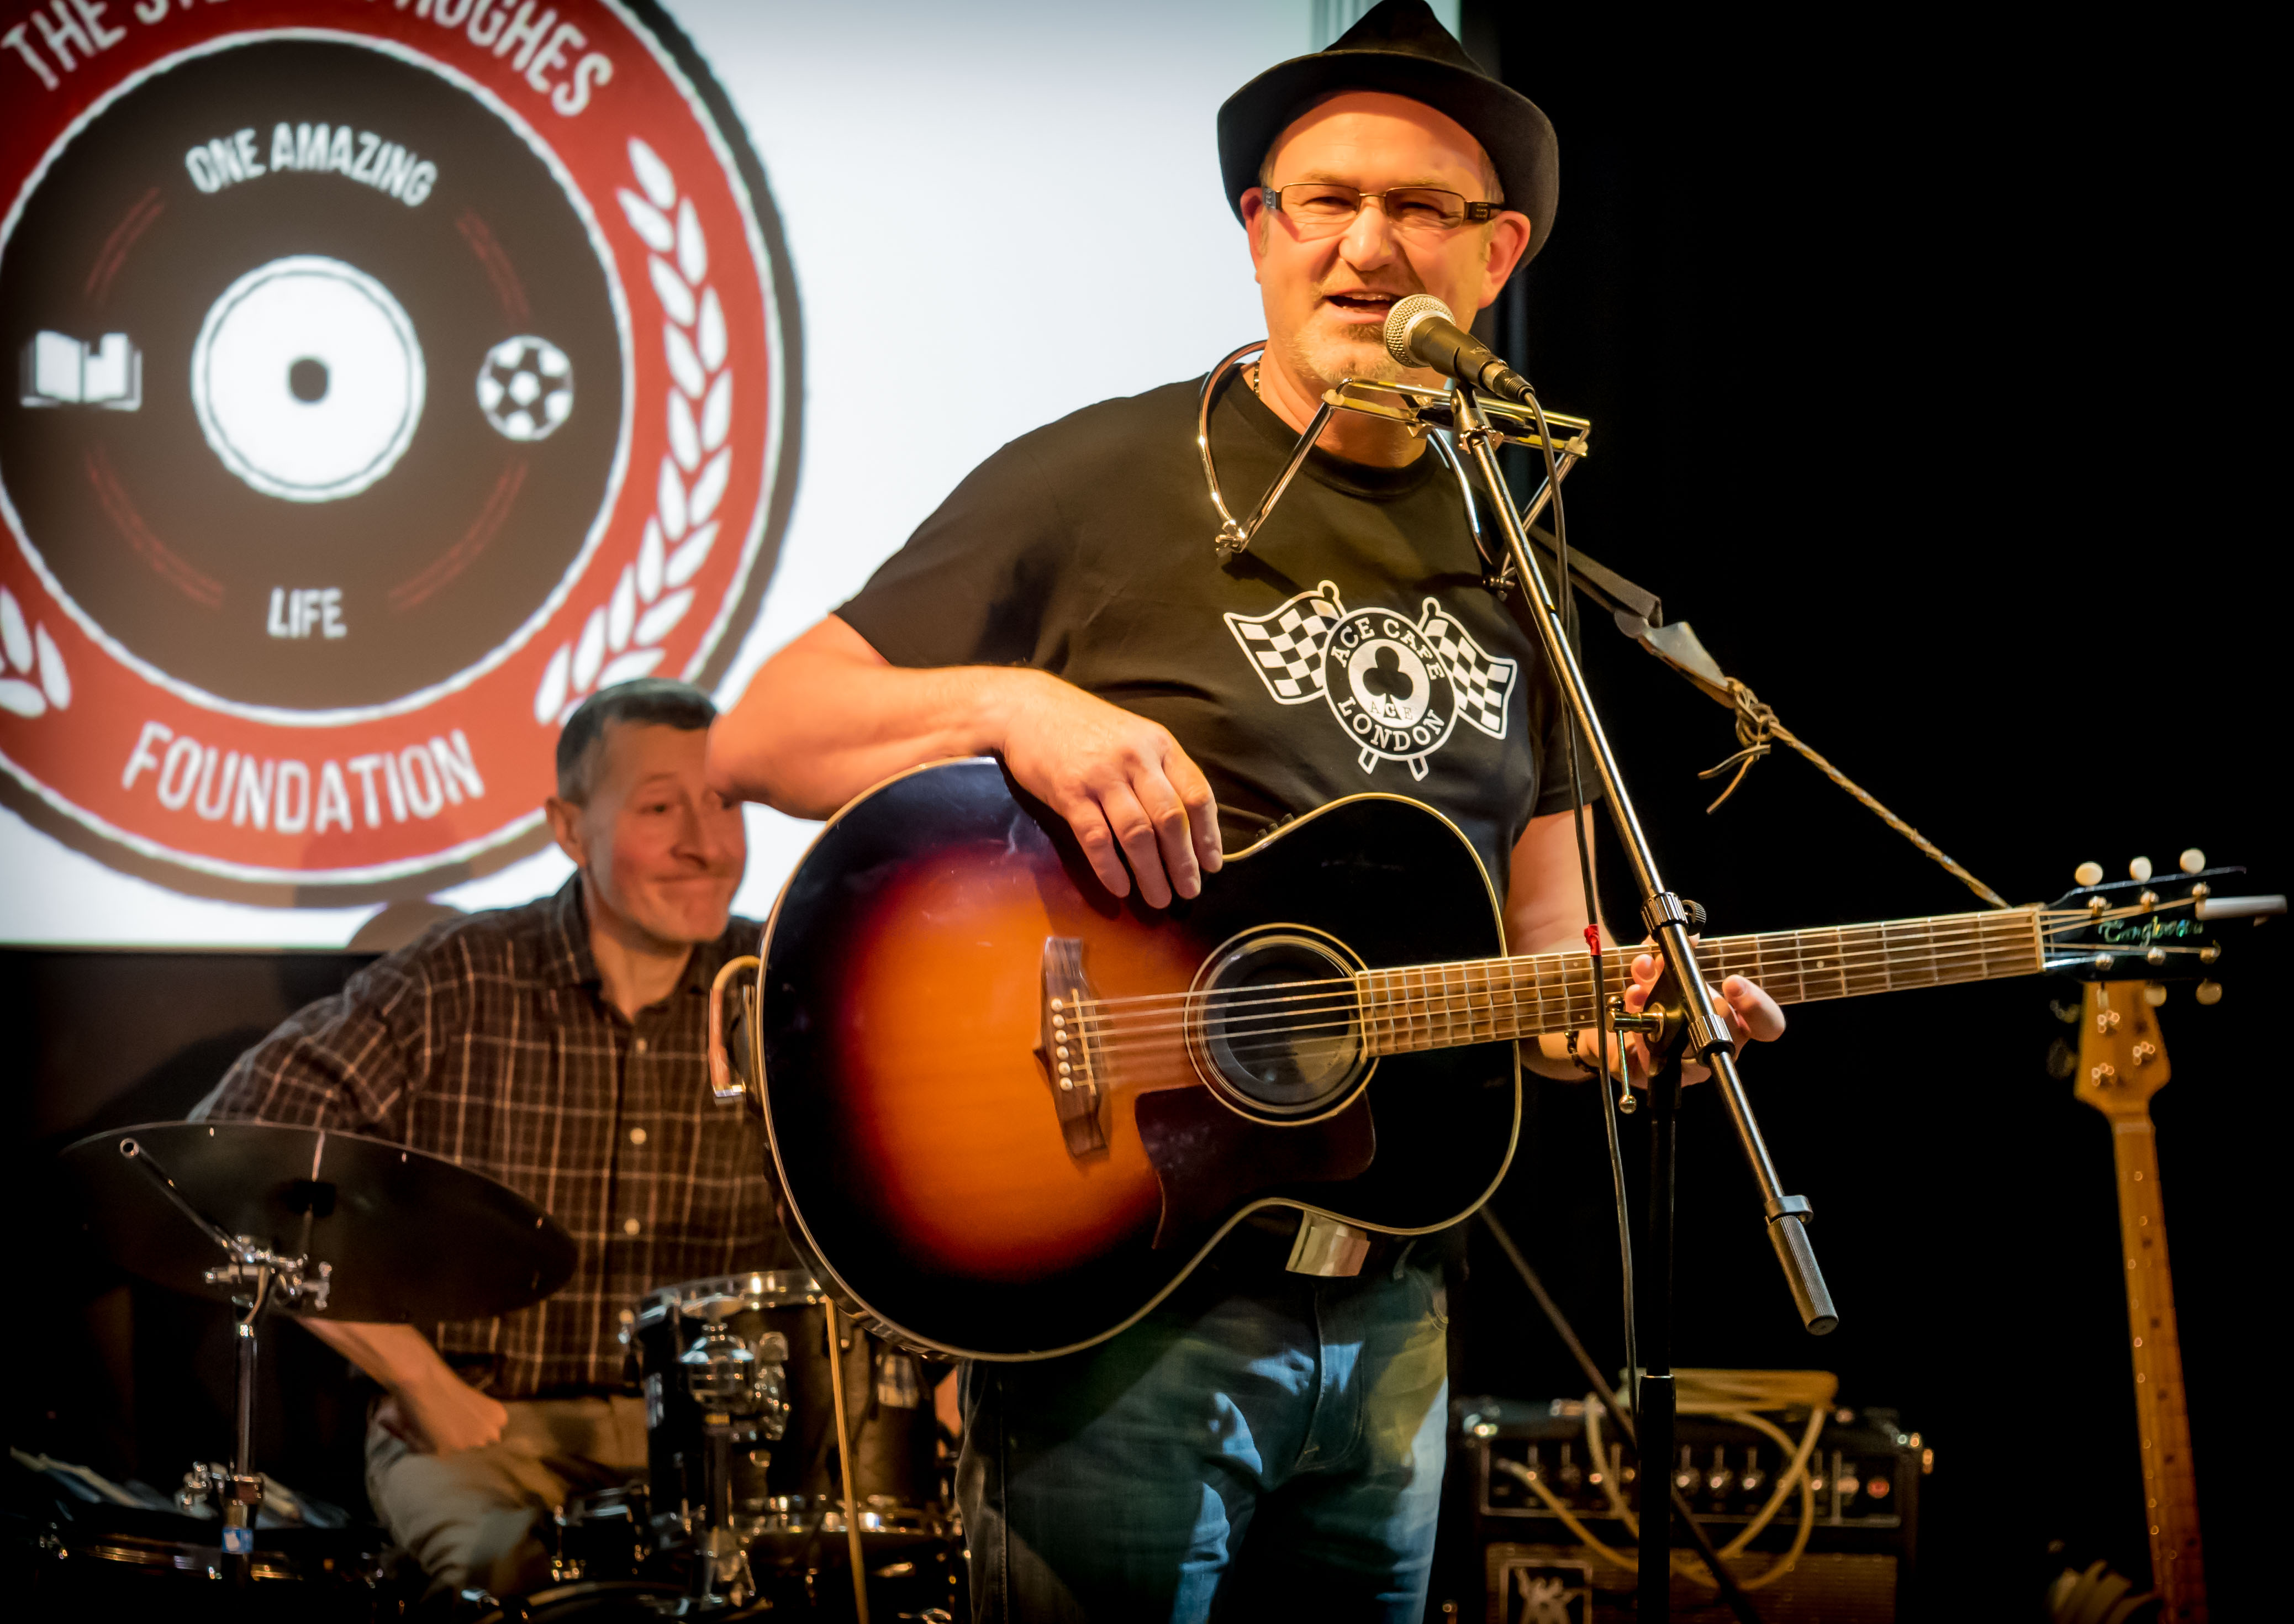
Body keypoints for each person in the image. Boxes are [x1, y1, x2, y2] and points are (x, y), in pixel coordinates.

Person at [707, 4, 1786, 1618]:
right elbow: (764, 735)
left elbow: (1550, 949)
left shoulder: (1518, 562)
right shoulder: (1100, 477)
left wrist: (1630, 1020)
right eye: (1323, 201)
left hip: (1396, 1318)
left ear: (1494, 256)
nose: (1366, 245)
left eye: (1417, 209)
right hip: (1124, 1304)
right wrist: (1018, 706)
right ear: (1258, 231)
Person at [195, 678, 776, 1599]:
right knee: (511, 1584)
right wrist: (421, 1381)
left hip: (721, 1447)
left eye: (725, 805)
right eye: (661, 808)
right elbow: (230, 1155)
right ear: (568, 828)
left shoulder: (775, 981)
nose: (707, 845)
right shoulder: (461, 977)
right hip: (485, 1432)